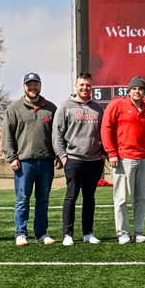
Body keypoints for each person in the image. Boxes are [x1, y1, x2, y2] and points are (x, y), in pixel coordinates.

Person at [101, 76, 145, 244]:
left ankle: (139, 231)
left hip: (143, 159)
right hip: (123, 158)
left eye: (141, 89)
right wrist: (111, 152)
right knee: (121, 198)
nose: (137, 91)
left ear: (144, 92)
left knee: (141, 198)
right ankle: (123, 233)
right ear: (129, 91)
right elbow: (106, 128)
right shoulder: (117, 105)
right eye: (134, 88)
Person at [3, 72, 58, 246]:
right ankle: (21, 233)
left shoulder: (50, 108)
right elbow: (7, 136)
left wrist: (58, 154)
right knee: (23, 198)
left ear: (40, 85)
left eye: (35, 84)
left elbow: (57, 135)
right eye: (29, 84)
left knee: (43, 199)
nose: (32, 87)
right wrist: (11, 157)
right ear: (24, 87)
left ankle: (41, 234)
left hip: (46, 161)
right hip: (23, 162)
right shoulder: (14, 109)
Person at [53, 72, 106, 245]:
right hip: (73, 159)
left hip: (94, 161)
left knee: (89, 197)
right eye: (82, 85)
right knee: (71, 197)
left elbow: (103, 135)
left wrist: (103, 155)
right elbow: (57, 134)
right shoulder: (65, 106)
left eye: (88, 85)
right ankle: (68, 234)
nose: (85, 88)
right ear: (76, 86)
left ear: (92, 87)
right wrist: (63, 156)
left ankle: (88, 233)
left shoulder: (98, 108)